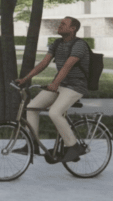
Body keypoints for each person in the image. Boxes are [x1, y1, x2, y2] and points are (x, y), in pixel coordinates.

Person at [15, 16, 91, 163]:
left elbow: (67, 66)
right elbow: (43, 63)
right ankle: (32, 144)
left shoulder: (79, 45)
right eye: (60, 23)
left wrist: (55, 83)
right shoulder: (57, 43)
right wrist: (25, 79)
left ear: (73, 28)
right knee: (32, 107)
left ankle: (73, 147)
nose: (59, 25)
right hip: (61, 84)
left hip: (76, 86)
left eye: (63, 24)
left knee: (54, 112)